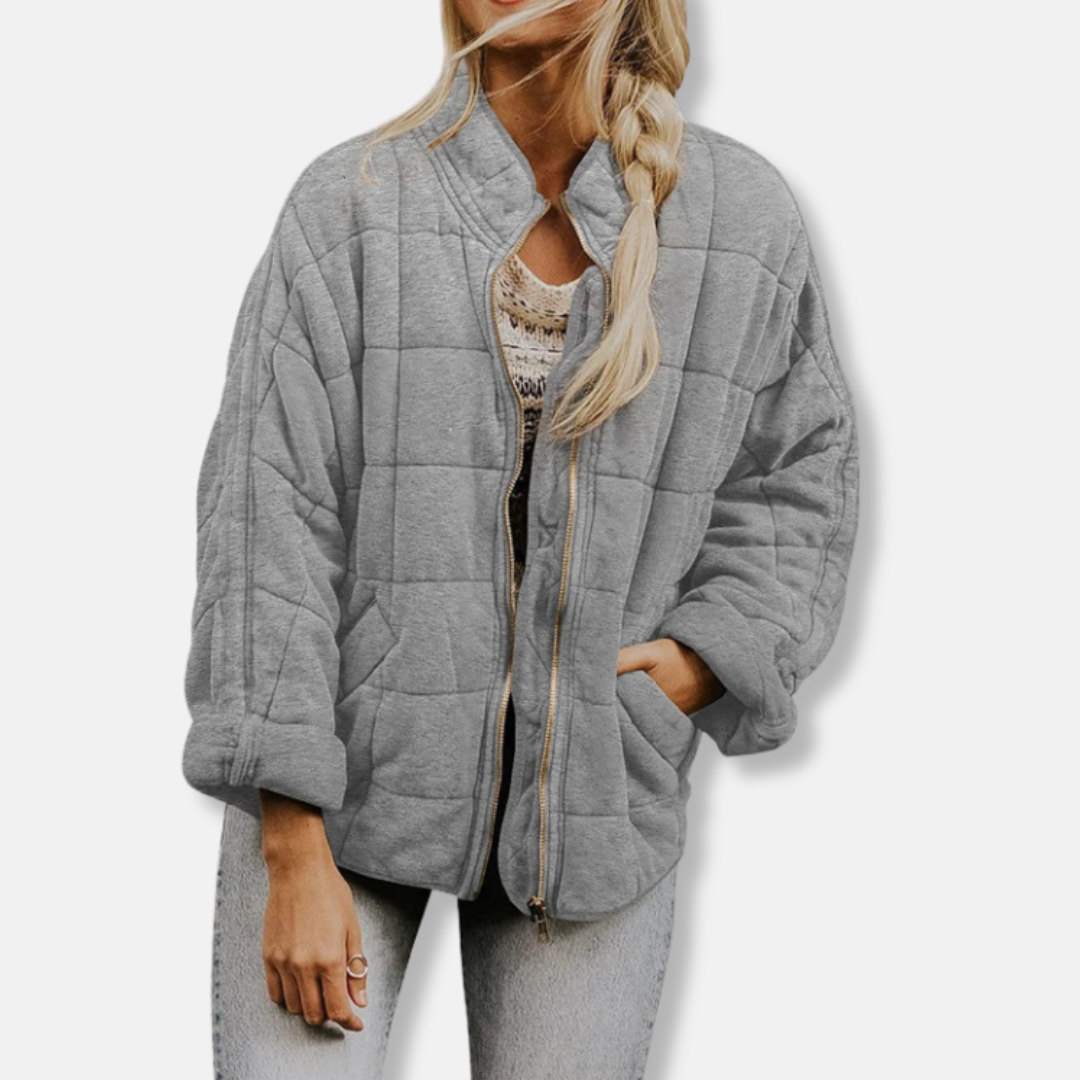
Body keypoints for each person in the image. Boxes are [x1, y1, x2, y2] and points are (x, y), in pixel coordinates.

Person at [181, 1, 860, 1076]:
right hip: (337, 803)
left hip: (595, 816)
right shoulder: (353, 203)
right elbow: (270, 514)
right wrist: (291, 835)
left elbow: (797, 473)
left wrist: (702, 660)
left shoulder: (741, 219)